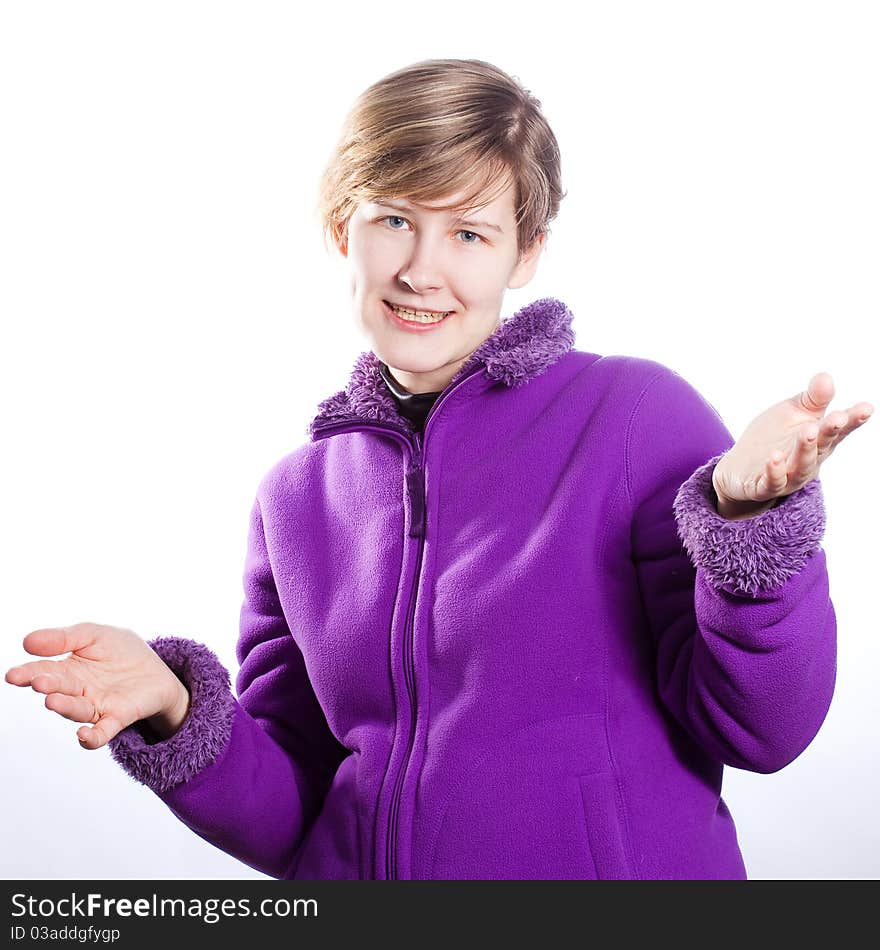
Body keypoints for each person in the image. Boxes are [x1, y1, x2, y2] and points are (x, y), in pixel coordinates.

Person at [5, 58, 873, 880]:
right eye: (394, 220)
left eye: (468, 231)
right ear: (341, 227)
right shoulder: (297, 496)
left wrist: (752, 529)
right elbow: (301, 811)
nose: (422, 270)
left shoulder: (635, 419)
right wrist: (175, 707)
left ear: (524, 252)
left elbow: (765, 730)